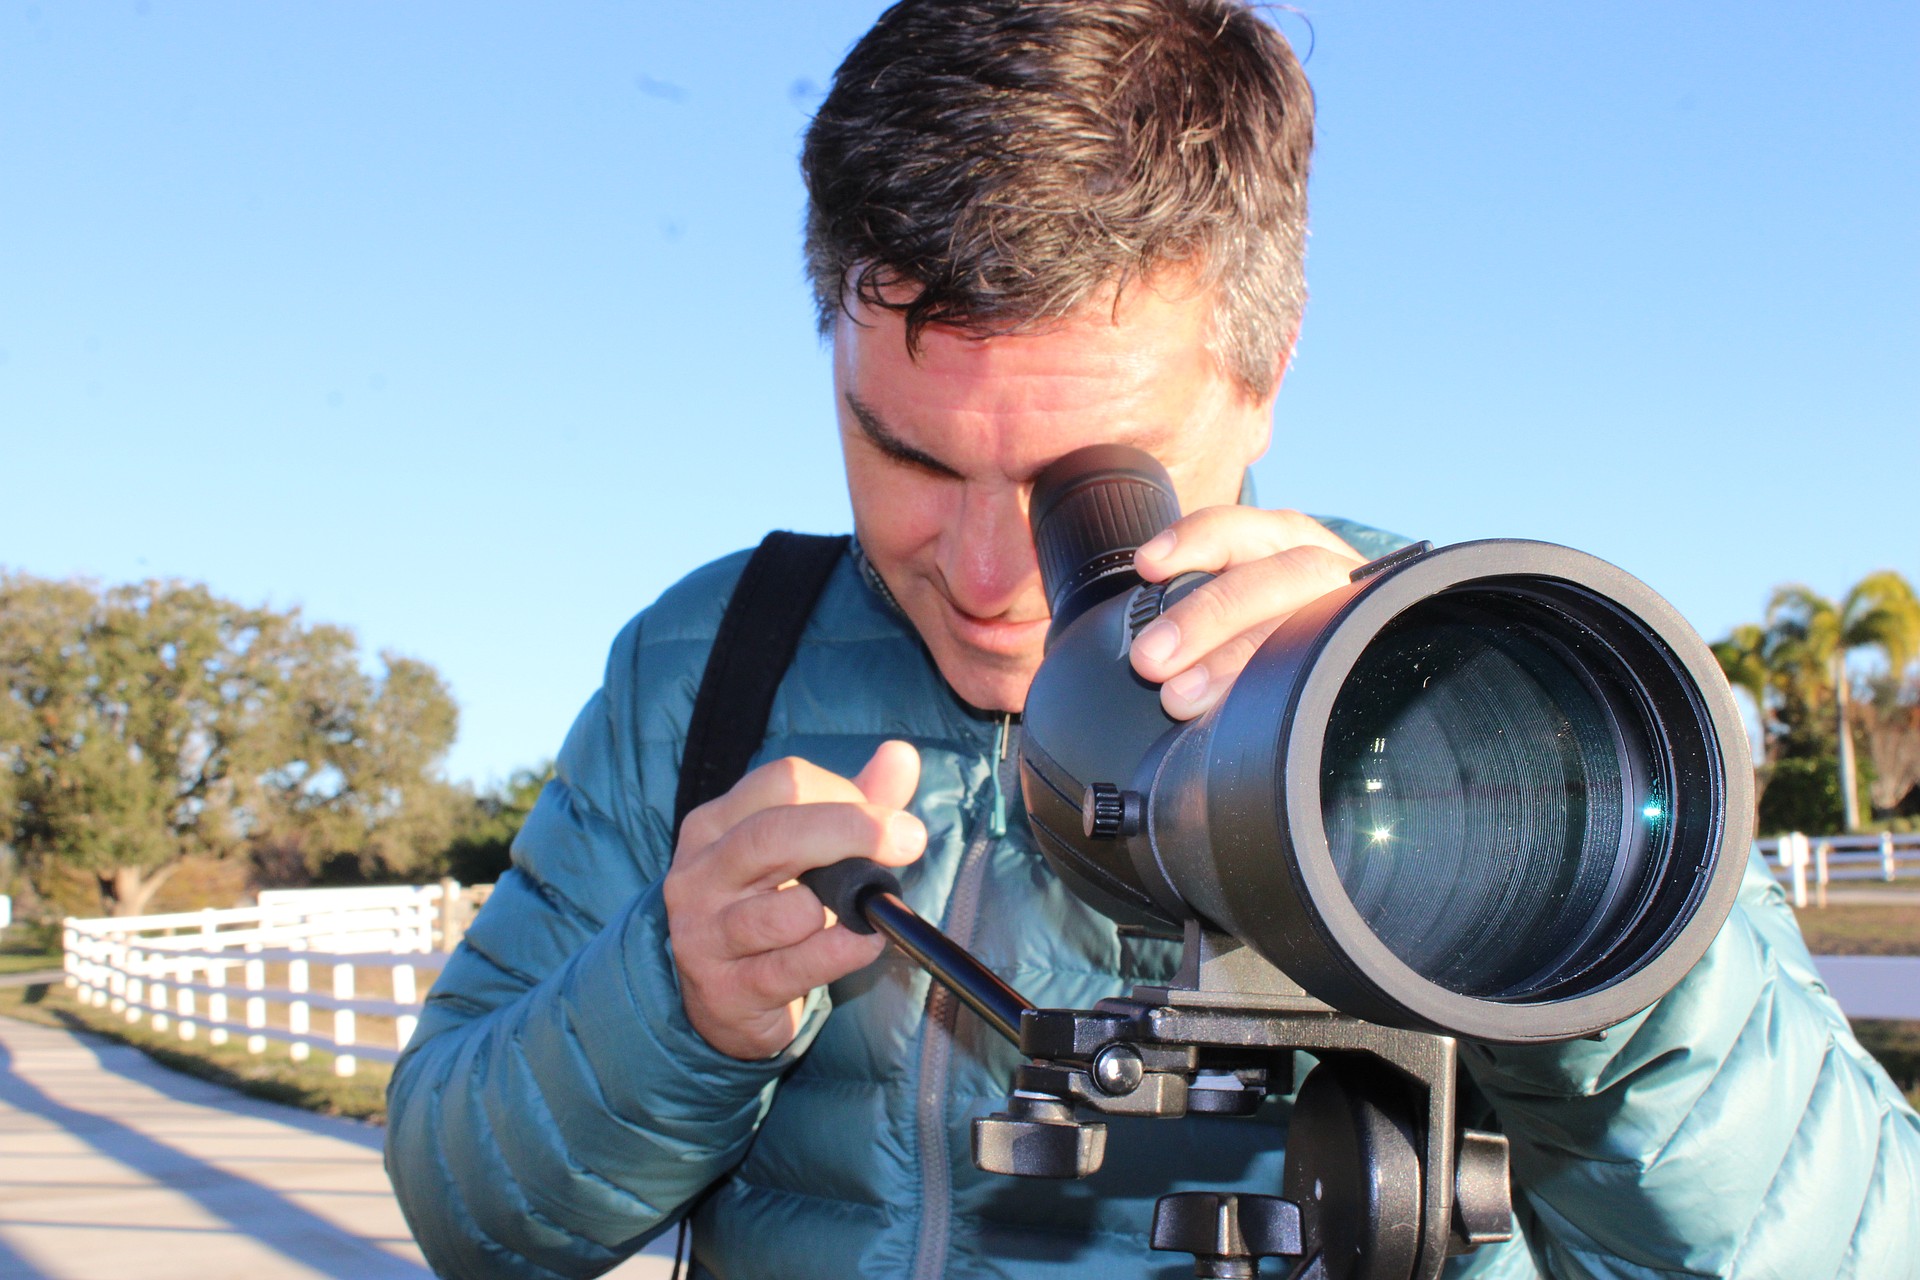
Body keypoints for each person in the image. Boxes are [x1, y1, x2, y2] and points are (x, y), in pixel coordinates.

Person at [384, 2, 1920, 1276]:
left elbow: (1844, 1246)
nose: (994, 576)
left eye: (1081, 492)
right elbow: (468, 1214)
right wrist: (677, 1004)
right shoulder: (707, 664)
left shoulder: (1487, 677)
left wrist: (1570, 913)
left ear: (1266, 372)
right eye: (907, 459)